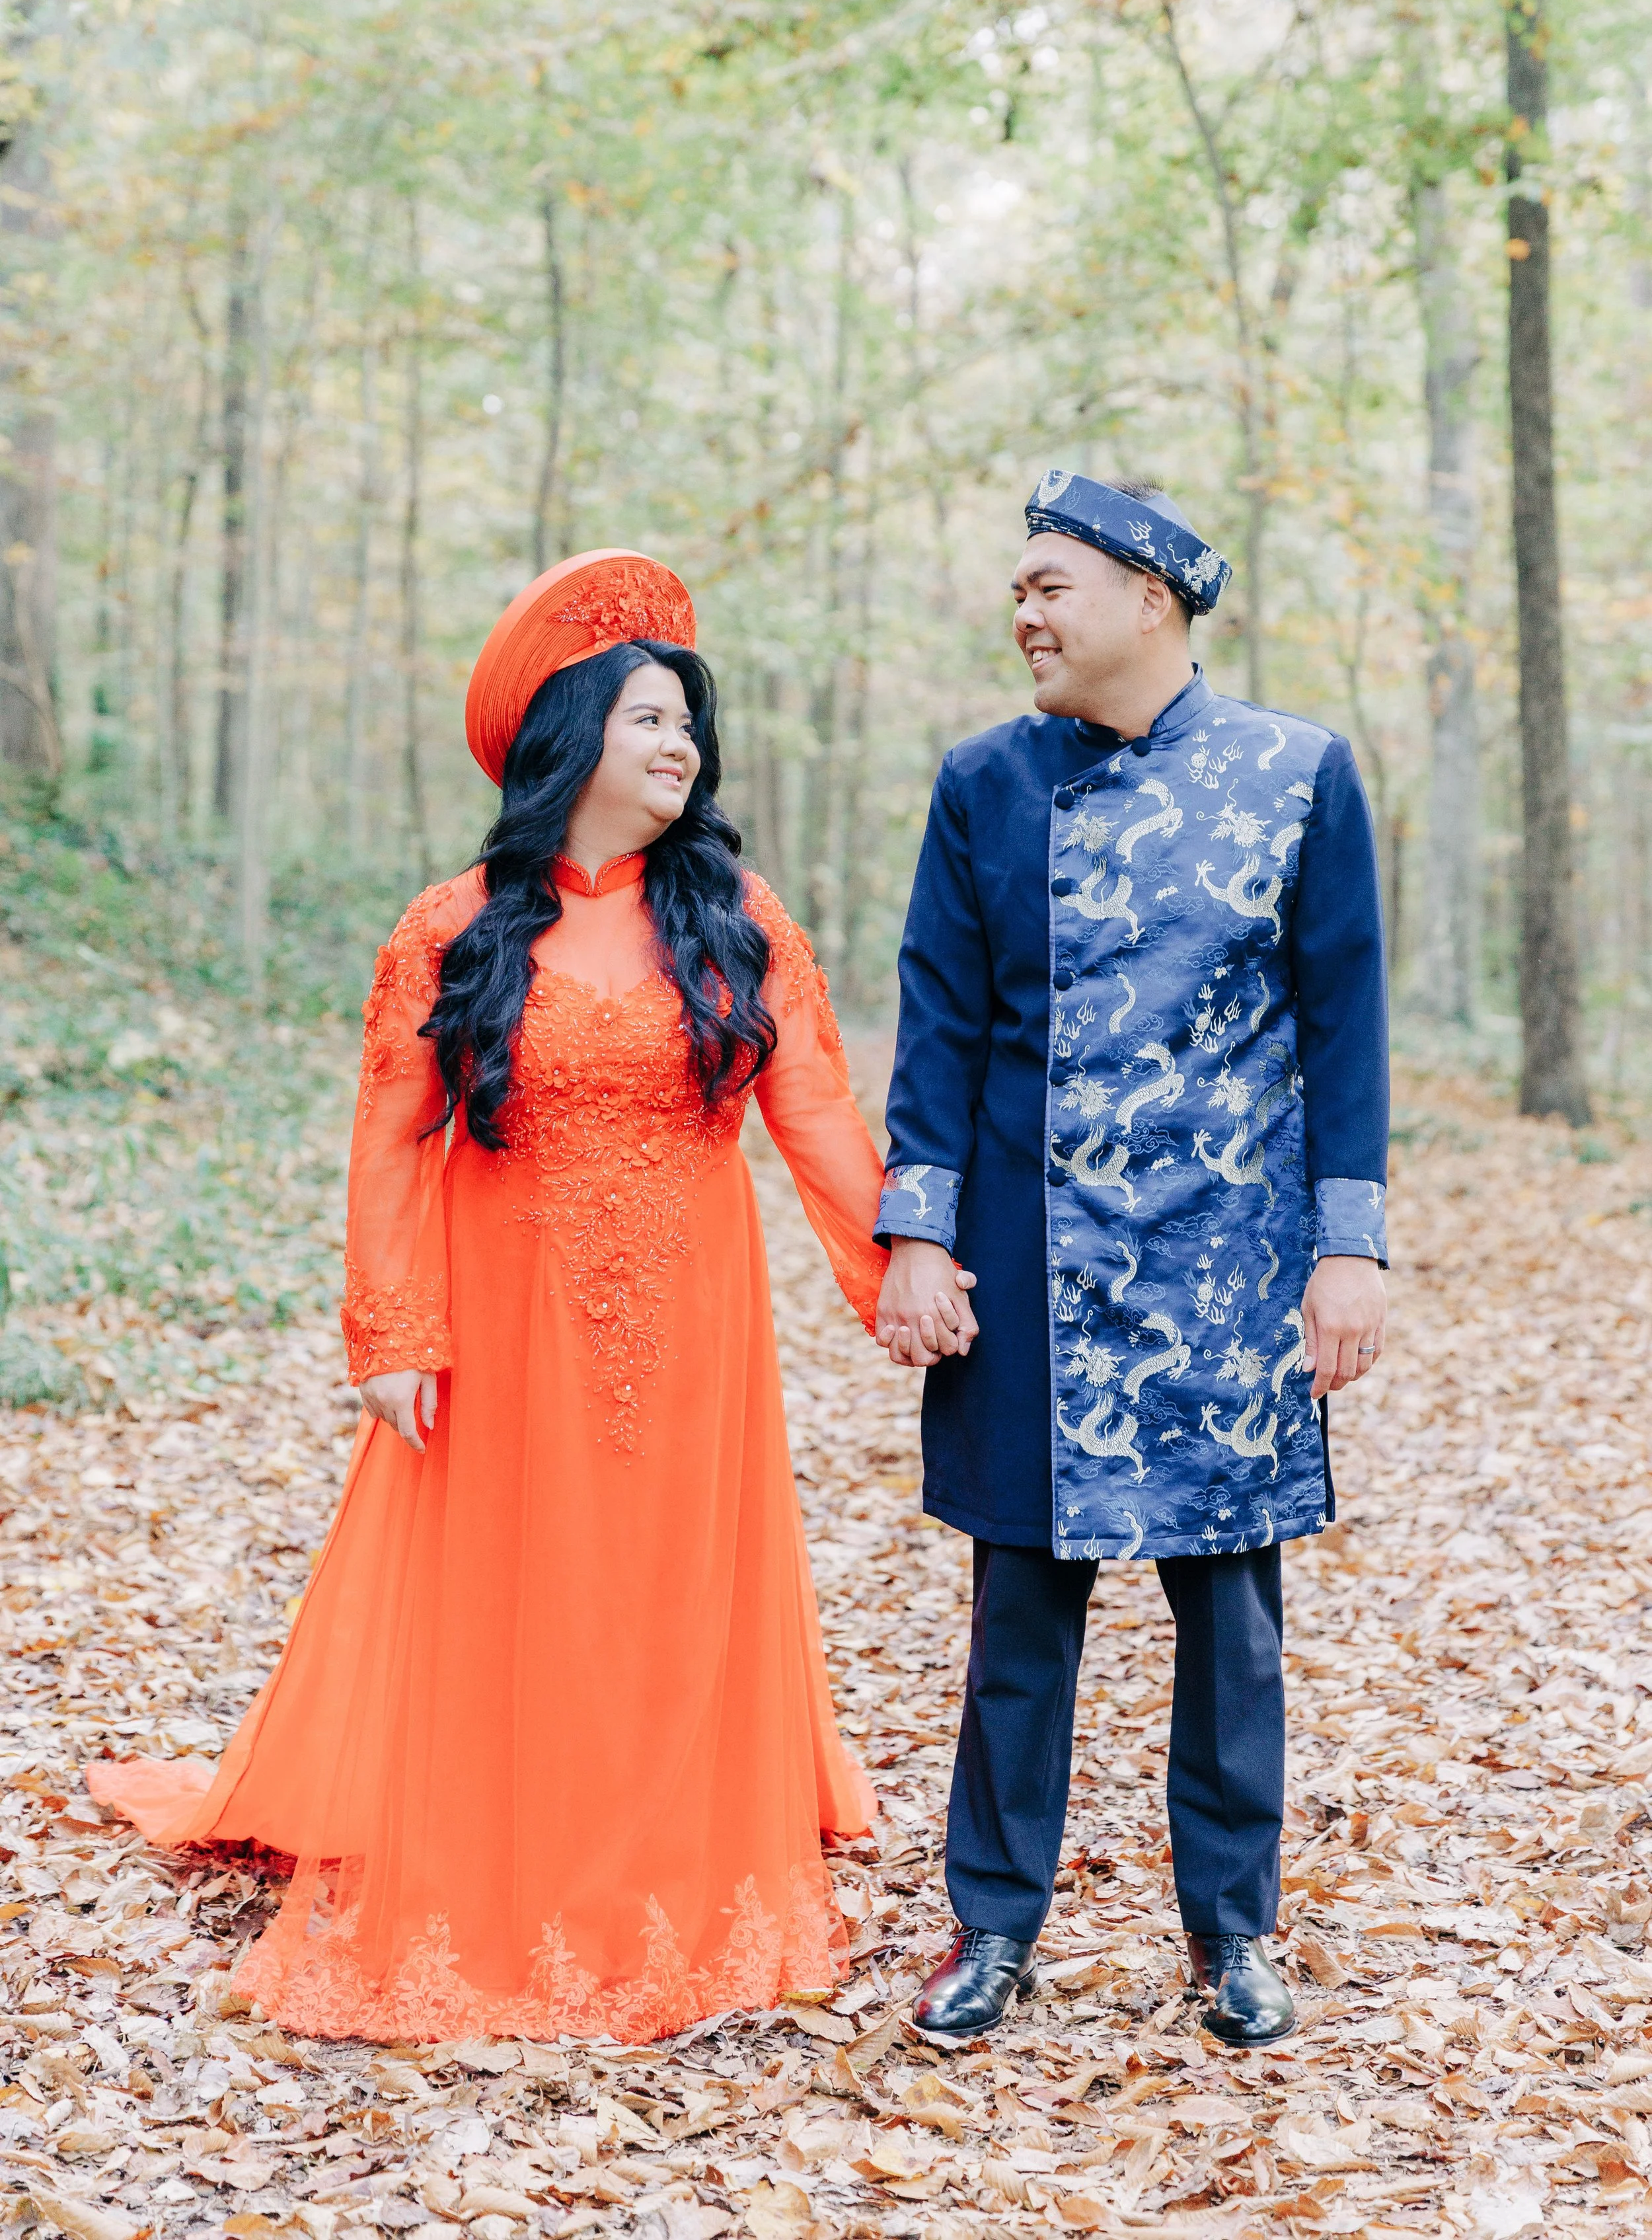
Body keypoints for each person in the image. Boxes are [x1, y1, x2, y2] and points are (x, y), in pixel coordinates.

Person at [89, 549, 900, 2044]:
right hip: (503, 1310)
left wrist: (910, 1265)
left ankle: (664, 1864)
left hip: (694, 1321)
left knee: (663, 1591)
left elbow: (824, 1122)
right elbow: (390, 1143)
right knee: (519, 1588)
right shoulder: (454, 924)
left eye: (689, 726)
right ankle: (503, 1858)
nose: (682, 748)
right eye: (652, 718)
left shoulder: (738, 917)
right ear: (569, 736)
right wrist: (395, 1333)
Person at [872, 473, 1389, 2048]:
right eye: (1017, 590)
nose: (1020, 614)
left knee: (1229, 1618)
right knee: (1016, 1612)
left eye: (1048, 587)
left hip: (1228, 1268)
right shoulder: (982, 784)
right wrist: (916, 1231)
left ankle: (1233, 1932)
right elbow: (940, 1023)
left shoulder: (1296, 773)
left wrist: (1344, 1248)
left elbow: (1339, 1020)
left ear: (1147, 597)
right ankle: (990, 1928)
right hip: (1030, 1259)